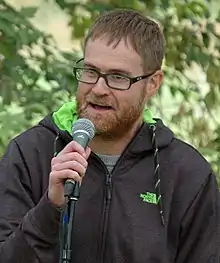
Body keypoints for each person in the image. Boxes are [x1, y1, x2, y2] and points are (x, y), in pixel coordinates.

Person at [0, 8, 219, 263]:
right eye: (91, 71)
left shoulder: (187, 174)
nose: (98, 88)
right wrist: (50, 210)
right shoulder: (29, 153)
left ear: (153, 83)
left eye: (118, 77)